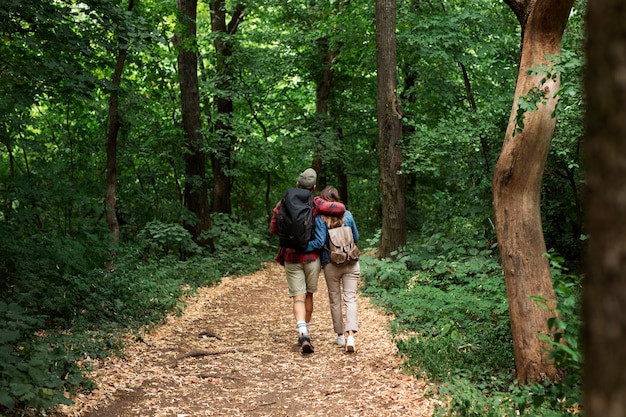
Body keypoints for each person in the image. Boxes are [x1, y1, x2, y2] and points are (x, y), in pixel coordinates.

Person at [270, 168, 346, 354]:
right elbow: (340, 209)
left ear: (297, 184)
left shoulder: (283, 203)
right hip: (312, 258)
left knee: (298, 297)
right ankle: (306, 330)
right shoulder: (315, 202)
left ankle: (302, 331)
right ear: (314, 187)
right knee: (309, 295)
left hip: (291, 256)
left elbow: (273, 228)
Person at [305, 185, 360, 352]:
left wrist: (303, 246)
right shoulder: (348, 215)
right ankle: (351, 335)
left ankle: (340, 337)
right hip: (351, 261)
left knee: (335, 300)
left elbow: (320, 242)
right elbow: (356, 237)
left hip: (331, 264)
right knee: (350, 299)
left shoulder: (321, 218)